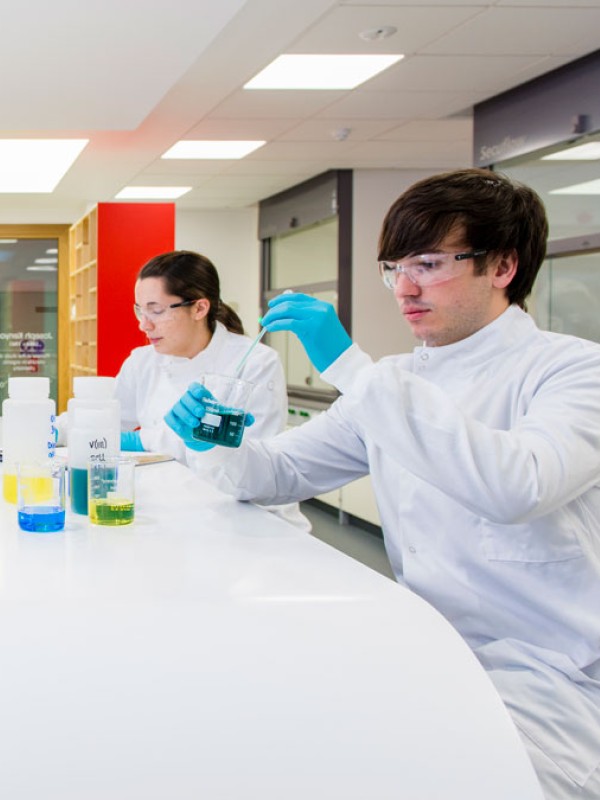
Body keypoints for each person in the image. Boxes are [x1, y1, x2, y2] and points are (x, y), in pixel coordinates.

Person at [165, 169, 600, 799]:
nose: (405, 286)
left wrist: (348, 365)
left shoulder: (572, 369)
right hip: (430, 646)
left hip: (553, 674)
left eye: (427, 262)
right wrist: (217, 447)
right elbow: (282, 472)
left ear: (503, 265)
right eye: (393, 267)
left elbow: (517, 485)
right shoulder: (397, 380)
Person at [116, 249, 309, 530]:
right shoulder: (143, 361)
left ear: (199, 308)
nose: (143, 324)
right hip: (176, 514)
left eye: (156, 311)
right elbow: (106, 419)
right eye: (140, 310)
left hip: (253, 523)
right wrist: (58, 428)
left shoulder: (256, 363)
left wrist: (146, 440)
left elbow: (255, 470)